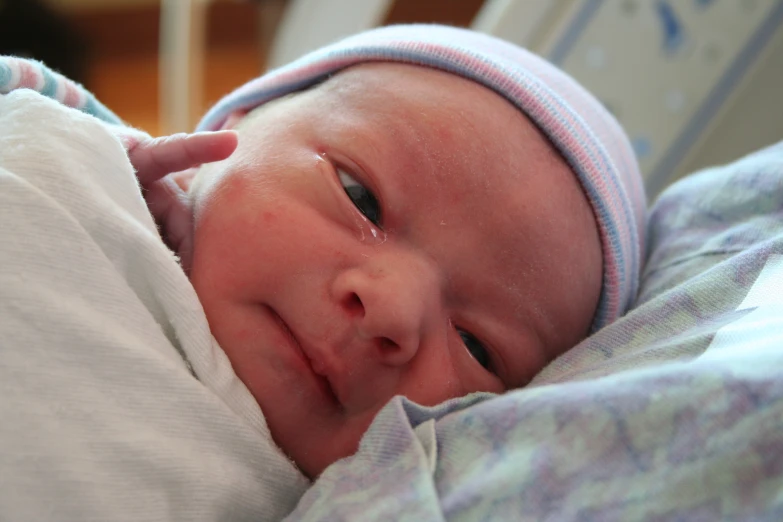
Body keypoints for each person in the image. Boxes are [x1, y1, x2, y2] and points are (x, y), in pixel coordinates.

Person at [0, 24, 645, 520]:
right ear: (235, 128)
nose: (390, 308)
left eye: (477, 346)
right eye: (360, 198)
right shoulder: (80, 154)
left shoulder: (351, 497)